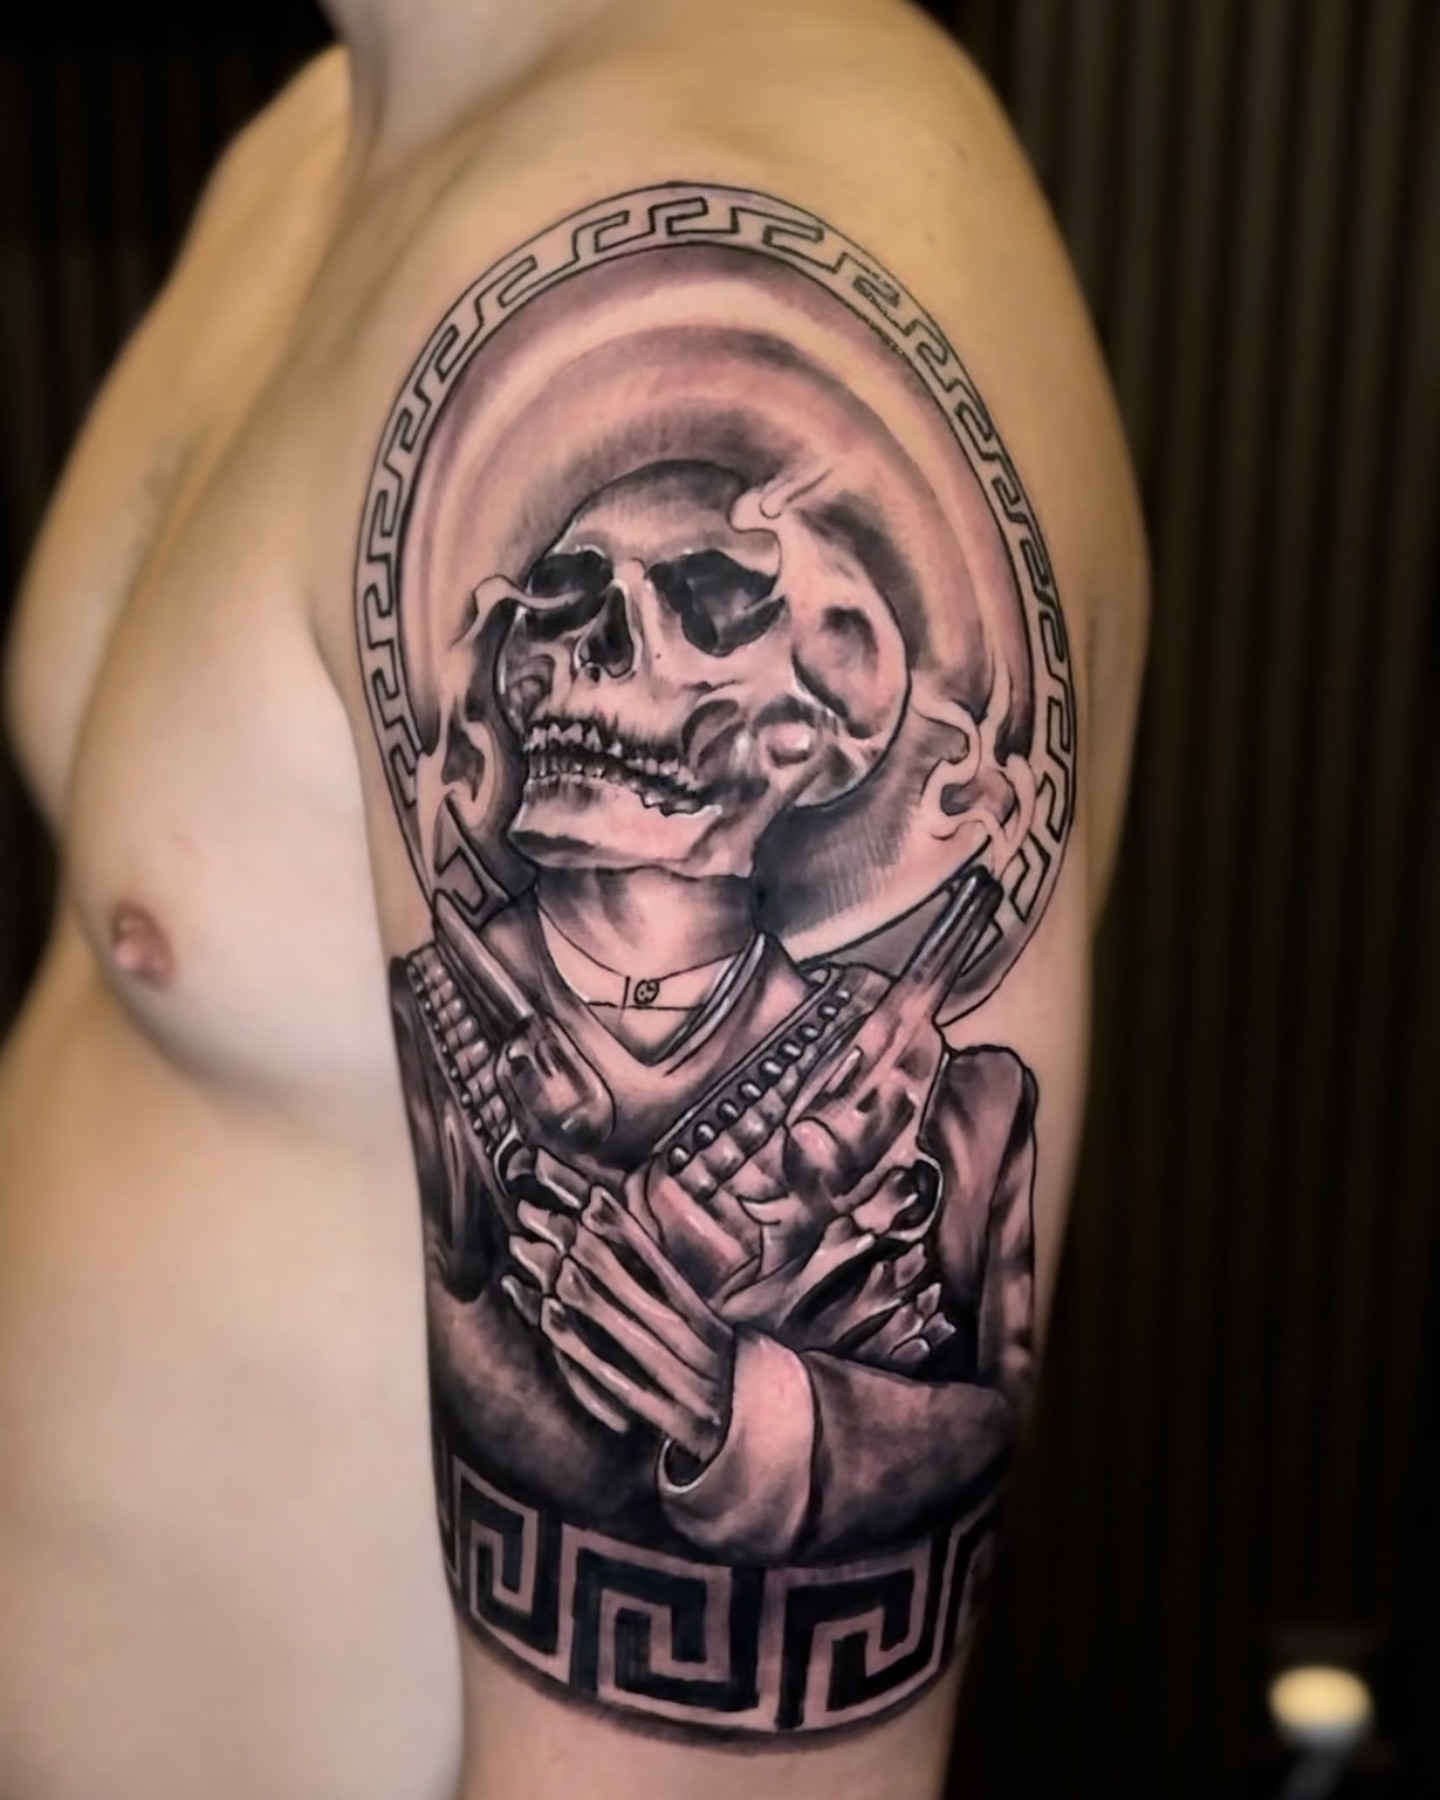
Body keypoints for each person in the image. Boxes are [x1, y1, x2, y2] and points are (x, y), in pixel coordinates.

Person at [0, 1, 1147, 1796]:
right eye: (561, 608)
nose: (576, 661)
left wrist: (747, 1416)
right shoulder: (308, 153)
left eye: (694, 611)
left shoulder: (707, 206)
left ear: (816, 731)